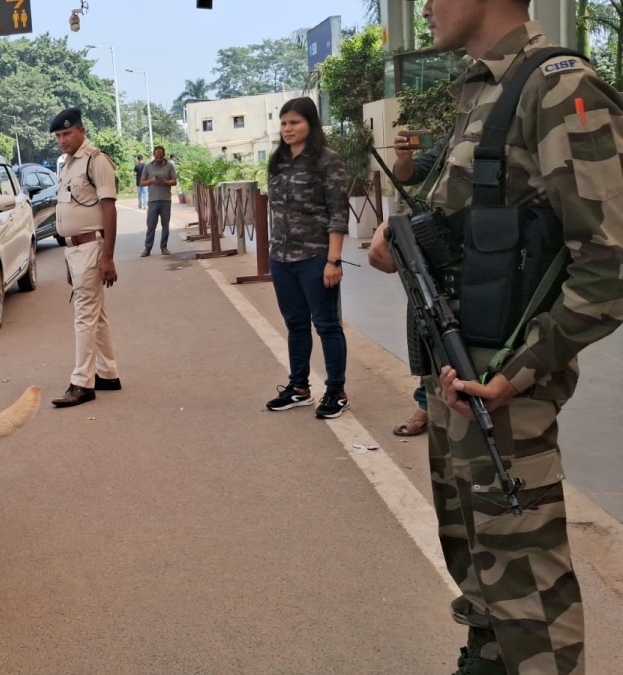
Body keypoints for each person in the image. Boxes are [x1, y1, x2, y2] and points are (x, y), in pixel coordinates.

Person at [368, 1, 623, 672]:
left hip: (504, 387)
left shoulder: (559, 86)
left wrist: (525, 368)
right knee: (483, 569)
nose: (422, 5)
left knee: (528, 588)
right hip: (460, 376)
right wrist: (403, 237)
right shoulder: (488, 90)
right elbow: (467, 222)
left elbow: (611, 259)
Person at [263, 97, 350, 419]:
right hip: (282, 258)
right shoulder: (278, 162)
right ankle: (299, 388)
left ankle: (336, 391)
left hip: (316, 257)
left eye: (295, 122)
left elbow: (338, 214)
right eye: (284, 123)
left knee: (327, 325)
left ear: (310, 124)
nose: (288, 129)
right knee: (295, 325)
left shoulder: (327, 161)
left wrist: (334, 260)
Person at [48, 107, 122, 408]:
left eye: (67, 133)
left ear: (81, 131)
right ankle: (107, 373)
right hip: (75, 248)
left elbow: (109, 208)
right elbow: (68, 211)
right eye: (58, 136)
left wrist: (108, 258)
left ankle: (82, 383)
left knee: (84, 316)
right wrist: (68, 256)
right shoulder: (67, 165)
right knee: (96, 314)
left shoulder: (96, 160)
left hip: (92, 247)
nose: (62, 140)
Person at [389, 129, 452, 437]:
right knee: (429, 325)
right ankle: (427, 403)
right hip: (438, 248)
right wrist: (404, 159)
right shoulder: (456, 131)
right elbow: (410, 174)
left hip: (487, 249)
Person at [140, 145, 177, 257]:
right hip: (152, 201)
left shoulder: (169, 166)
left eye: (161, 157)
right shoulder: (148, 167)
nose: (159, 159)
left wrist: (164, 182)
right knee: (151, 225)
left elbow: (174, 181)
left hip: (165, 200)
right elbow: (142, 182)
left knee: (165, 225)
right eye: (157, 157)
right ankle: (147, 248)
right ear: (154, 155)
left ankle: (164, 247)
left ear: (164, 155)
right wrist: (152, 181)